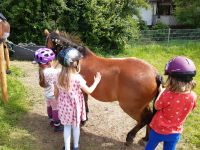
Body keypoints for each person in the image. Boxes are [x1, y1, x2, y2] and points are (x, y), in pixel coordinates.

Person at [54, 47, 101, 150]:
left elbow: (56, 93)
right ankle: (75, 147)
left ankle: (67, 148)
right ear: (74, 63)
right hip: (75, 107)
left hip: (63, 106)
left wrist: (60, 101)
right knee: (76, 127)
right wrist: (96, 81)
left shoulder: (57, 76)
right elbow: (89, 91)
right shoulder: (77, 78)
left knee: (66, 127)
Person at [145, 56, 197, 150]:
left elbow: (157, 106)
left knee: (150, 146)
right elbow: (191, 108)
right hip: (175, 132)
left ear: (172, 79)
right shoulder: (193, 96)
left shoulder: (167, 94)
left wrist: (161, 91)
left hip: (158, 130)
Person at [34, 48, 63, 132]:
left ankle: (51, 120)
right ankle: (57, 125)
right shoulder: (52, 71)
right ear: (49, 62)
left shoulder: (42, 71)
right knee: (55, 108)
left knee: (49, 106)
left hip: (47, 94)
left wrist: (58, 61)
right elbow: (61, 71)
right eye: (52, 60)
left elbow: (52, 68)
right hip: (53, 95)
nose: (53, 61)